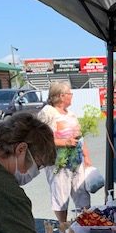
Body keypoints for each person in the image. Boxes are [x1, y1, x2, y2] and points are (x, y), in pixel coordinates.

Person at [38, 81, 91, 224]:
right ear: (61, 96)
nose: (72, 96)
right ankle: (64, 226)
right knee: (61, 195)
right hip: (58, 163)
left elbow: (80, 137)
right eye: (70, 93)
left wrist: (86, 156)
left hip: (76, 160)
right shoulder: (48, 112)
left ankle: (85, 222)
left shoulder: (71, 114)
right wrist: (64, 142)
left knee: (82, 192)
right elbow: (41, 138)